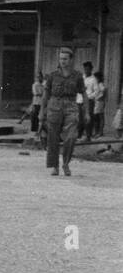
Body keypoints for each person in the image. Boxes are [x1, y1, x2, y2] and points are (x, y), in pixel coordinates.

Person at [44, 47, 84, 177]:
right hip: (54, 105)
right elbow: (46, 94)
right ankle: (55, 166)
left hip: (71, 105)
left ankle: (66, 163)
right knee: (53, 137)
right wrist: (41, 112)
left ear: (71, 60)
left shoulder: (77, 75)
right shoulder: (52, 75)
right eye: (61, 59)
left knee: (71, 136)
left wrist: (87, 112)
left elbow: (84, 93)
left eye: (65, 59)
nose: (63, 61)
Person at [83, 61, 104, 141]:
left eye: (88, 69)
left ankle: (88, 135)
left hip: (89, 100)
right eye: (85, 69)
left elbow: (97, 91)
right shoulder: (83, 77)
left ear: (91, 69)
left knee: (89, 118)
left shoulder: (94, 79)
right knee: (81, 119)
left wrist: (89, 97)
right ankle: (81, 134)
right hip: (81, 100)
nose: (86, 71)